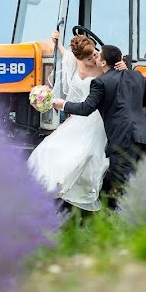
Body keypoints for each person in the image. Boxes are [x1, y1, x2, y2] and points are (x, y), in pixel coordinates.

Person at [52, 44, 146, 209]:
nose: (95, 57)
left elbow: (85, 109)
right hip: (144, 139)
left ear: (104, 63)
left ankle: (122, 223)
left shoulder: (101, 82)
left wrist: (63, 105)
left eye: (98, 56)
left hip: (123, 141)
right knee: (134, 183)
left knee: (122, 190)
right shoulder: (136, 76)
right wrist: (133, 102)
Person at [27, 33, 124, 211]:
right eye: (89, 57)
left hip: (95, 117)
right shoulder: (73, 60)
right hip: (79, 116)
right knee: (50, 148)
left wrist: (122, 66)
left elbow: (119, 74)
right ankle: (54, 189)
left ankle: (77, 192)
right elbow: (66, 55)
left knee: (82, 154)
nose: (95, 58)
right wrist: (57, 42)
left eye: (95, 54)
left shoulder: (102, 66)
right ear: (79, 58)